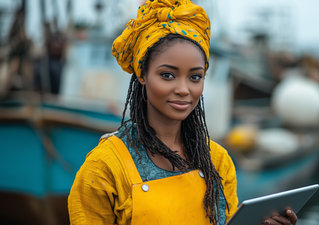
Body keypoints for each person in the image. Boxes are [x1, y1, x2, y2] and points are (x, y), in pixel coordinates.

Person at [68, 0, 298, 224]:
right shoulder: (104, 168)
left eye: (195, 77)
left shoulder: (218, 162)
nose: (183, 90)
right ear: (142, 75)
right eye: (167, 75)